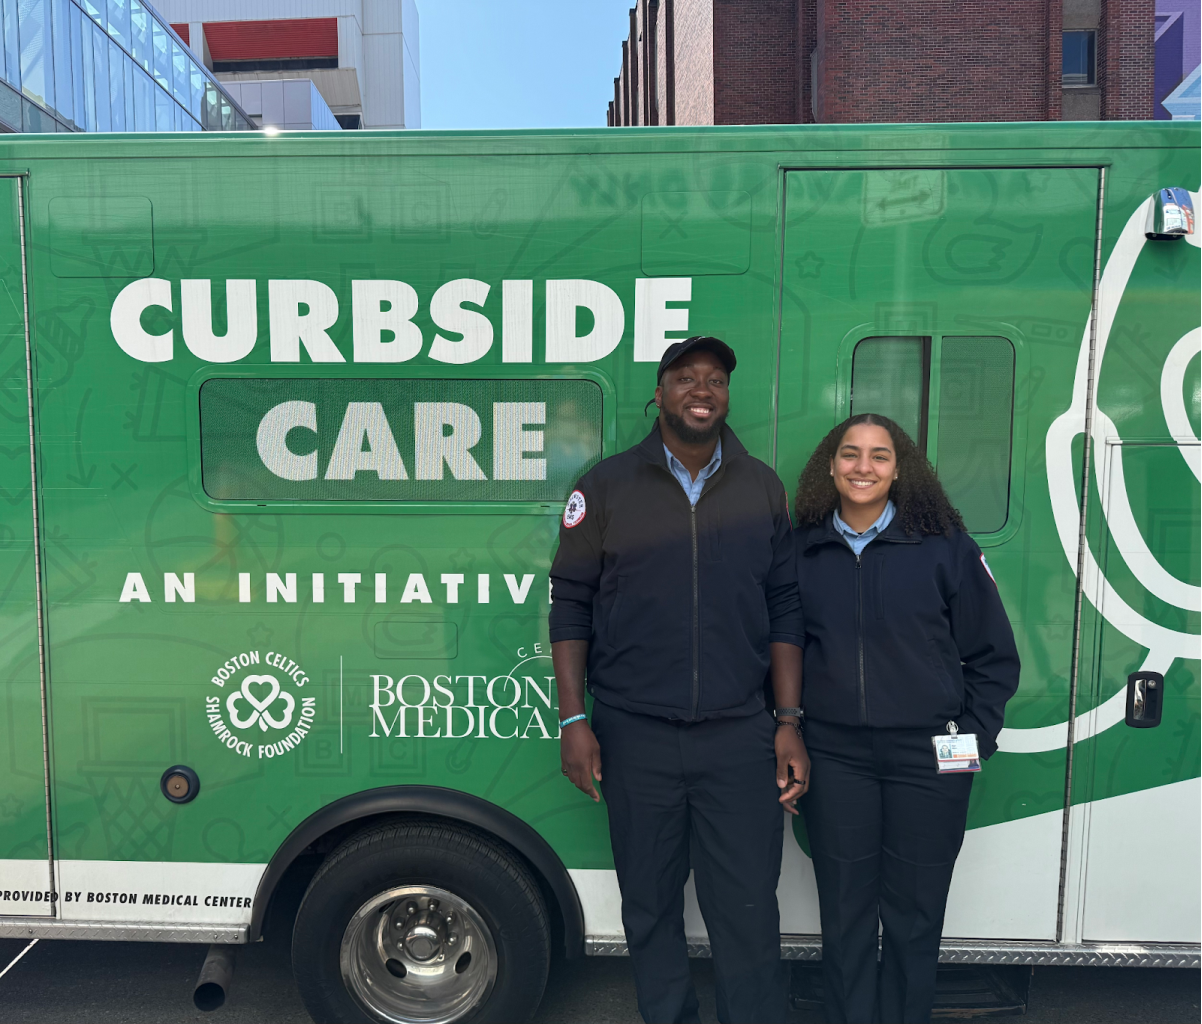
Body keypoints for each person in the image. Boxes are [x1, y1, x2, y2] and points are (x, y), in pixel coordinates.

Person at [549, 336, 807, 1024]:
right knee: (651, 903)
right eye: (686, 378)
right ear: (659, 395)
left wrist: (787, 721)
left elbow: (785, 605)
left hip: (738, 734)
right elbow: (570, 604)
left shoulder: (761, 486)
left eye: (716, 379)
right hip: (636, 734)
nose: (703, 389)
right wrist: (575, 721)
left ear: (726, 396)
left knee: (749, 907)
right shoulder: (605, 486)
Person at [792, 413, 1020, 1024]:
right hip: (836, 758)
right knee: (844, 915)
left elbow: (995, 656)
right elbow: (778, 654)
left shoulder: (945, 546)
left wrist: (972, 742)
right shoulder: (802, 549)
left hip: (932, 757)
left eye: (879, 456)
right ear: (829, 465)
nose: (862, 467)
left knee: (916, 915)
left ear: (900, 470)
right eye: (849, 454)